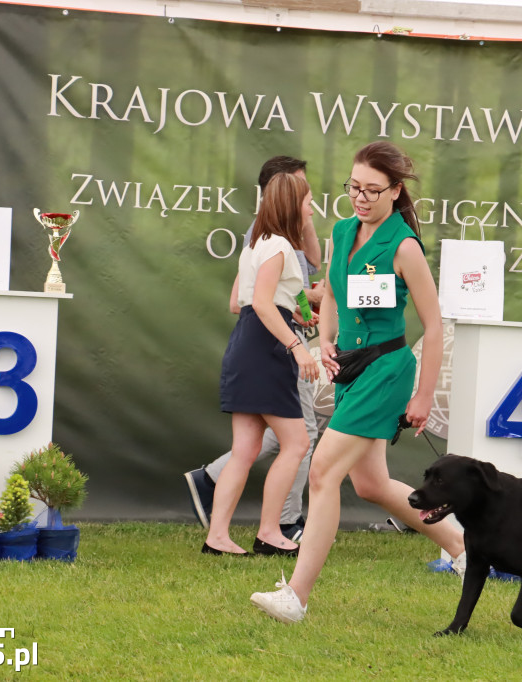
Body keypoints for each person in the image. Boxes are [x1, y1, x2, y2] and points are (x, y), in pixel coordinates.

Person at [250, 141, 466, 623]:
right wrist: (324, 339)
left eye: (372, 190)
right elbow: (333, 295)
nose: (361, 198)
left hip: (387, 371)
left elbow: (433, 326)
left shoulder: (405, 246)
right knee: (371, 484)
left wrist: (424, 395)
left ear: (395, 191)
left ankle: (296, 597)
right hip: (348, 369)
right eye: (354, 187)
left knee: (324, 469)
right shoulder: (342, 232)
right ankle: (459, 543)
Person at [185, 156, 321, 544]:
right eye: (308, 201)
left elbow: (240, 302)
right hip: (267, 350)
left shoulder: (256, 245)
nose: (311, 209)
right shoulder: (279, 247)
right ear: (293, 206)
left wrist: (292, 308)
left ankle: (218, 536)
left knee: (244, 450)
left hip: (245, 345)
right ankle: (270, 531)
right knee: (296, 443)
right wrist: (296, 345)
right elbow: (262, 303)